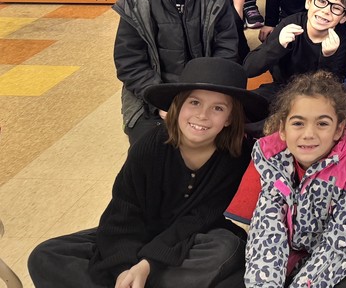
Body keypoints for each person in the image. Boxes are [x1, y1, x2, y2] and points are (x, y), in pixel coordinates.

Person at [28, 57, 269, 288]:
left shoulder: (238, 157)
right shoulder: (151, 145)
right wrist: (125, 267)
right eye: (194, 102)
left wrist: (148, 264)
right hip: (141, 232)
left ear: (229, 118)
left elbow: (199, 219)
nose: (202, 115)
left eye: (218, 108)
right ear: (178, 105)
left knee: (227, 249)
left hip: (191, 239)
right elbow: (124, 211)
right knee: (46, 255)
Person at [245, 71, 346, 288]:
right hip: (297, 245)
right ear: (282, 129)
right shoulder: (273, 160)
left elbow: (340, 247)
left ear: (338, 129)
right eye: (298, 123)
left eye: (322, 124)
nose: (309, 134)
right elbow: (267, 228)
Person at [114, 0, 240, 143]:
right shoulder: (136, 2)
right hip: (151, 96)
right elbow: (129, 62)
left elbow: (226, 49)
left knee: (227, 145)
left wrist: (200, 101)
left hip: (207, 90)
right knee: (151, 149)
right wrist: (162, 103)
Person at [244, 0, 346, 101]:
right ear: (308, 2)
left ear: (345, 16)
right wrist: (278, 45)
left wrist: (328, 57)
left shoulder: (341, 39)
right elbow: (249, 69)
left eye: (336, 8)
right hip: (282, 89)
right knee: (249, 102)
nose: (325, 11)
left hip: (317, 97)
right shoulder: (290, 24)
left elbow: (333, 87)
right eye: (321, 1)